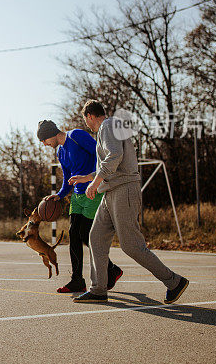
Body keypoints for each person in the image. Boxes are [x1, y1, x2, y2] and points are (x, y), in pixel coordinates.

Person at [69, 100, 189, 304]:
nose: (87, 124)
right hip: (110, 191)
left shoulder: (108, 125)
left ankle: (173, 281)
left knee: (131, 245)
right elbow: (108, 163)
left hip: (124, 190)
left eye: (85, 120)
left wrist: (95, 183)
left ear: (90, 115)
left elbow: (115, 156)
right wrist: (87, 178)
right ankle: (98, 289)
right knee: (96, 238)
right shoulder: (106, 130)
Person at [36, 119, 123, 294]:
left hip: (93, 190)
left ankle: (111, 270)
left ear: (49, 135)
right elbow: (67, 178)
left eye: (44, 140)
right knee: (74, 235)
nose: (45, 144)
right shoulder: (60, 152)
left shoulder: (76, 136)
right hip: (77, 196)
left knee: (86, 234)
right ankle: (77, 280)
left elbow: (101, 155)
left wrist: (93, 179)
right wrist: (59, 195)